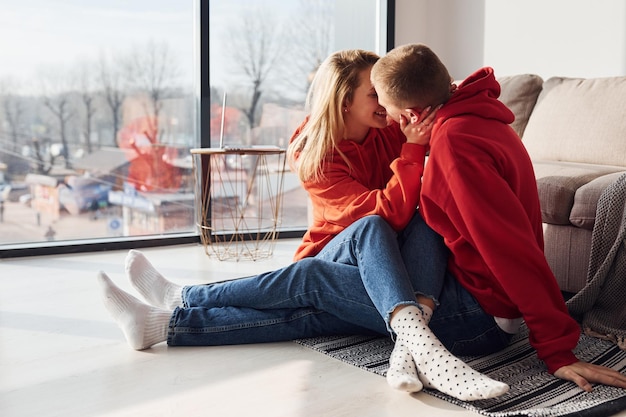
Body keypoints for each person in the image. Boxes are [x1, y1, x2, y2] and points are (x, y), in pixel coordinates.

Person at [98, 49, 510, 402]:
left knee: (313, 310)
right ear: (345, 101)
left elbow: (434, 104)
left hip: (392, 266)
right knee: (366, 233)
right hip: (342, 254)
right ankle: (181, 297)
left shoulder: (389, 129)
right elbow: (386, 212)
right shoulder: (316, 154)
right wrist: (414, 149)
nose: (387, 102)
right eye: (375, 94)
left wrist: (432, 101)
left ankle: (169, 316)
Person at [370, 43, 626, 393]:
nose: (388, 120)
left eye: (388, 112)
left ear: (412, 116)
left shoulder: (455, 145)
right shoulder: (476, 119)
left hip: (480, 315)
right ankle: (408, 347)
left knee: (315, 282)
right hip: (470, 289)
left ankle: (417, 350)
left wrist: (557, 349)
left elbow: (510, 248)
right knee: (334, 269)